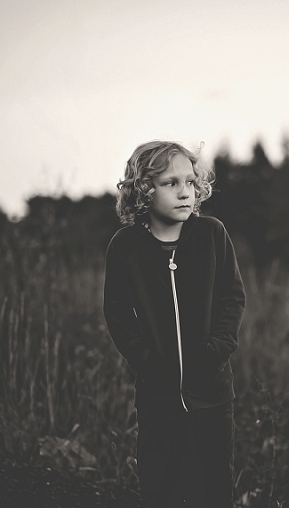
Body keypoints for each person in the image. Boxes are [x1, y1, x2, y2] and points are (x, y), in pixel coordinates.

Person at [103, 140, 245, 507]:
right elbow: (117, 314)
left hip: (213, 396)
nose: (185, 192)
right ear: (144, 190)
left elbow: (233, 297)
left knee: (214, 490)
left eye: (190, 183)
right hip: (158, 399)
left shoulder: (212, 235)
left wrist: (216, 351)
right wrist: (148, 361)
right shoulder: (126, 247)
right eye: (171, 183)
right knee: (160, 490)